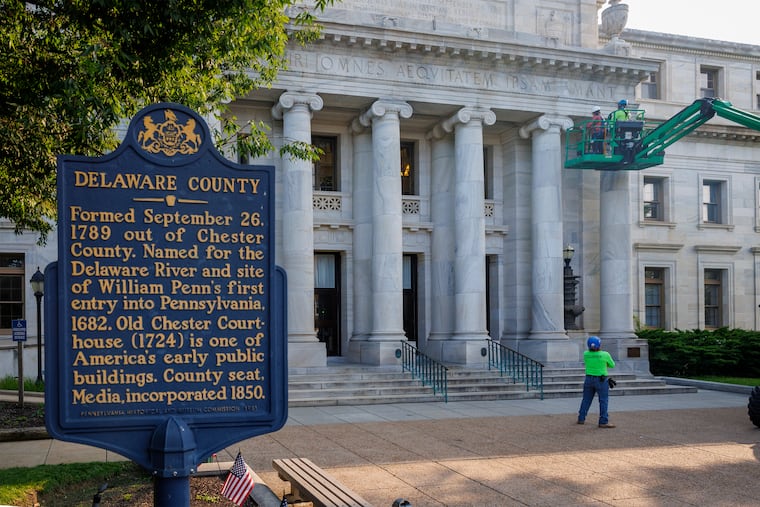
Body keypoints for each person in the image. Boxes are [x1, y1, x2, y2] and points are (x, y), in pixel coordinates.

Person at [577, 336, 616, 428]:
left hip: (588, 379)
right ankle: (603, 421)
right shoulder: (605, 354)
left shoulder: (586, 354)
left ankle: (581, 418)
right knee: (603, 400)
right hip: (601, 380)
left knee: (586, 399)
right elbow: (612, 365)